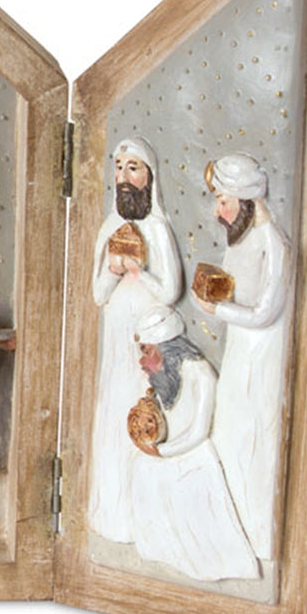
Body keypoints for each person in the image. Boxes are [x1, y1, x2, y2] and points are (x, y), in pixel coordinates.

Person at [198, 152, 294, 561]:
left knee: (253, 438)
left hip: (262, 358)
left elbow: (265, 312)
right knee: (231, 432)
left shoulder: (274, 244)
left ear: (245, 199)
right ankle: (229, 531)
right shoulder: (240, 239)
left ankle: (257, 537)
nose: (217, 211)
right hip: (240, 352)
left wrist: (219, 310)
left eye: (223, 201)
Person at [87, 136, 181, 544]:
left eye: (133, 168)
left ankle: (144, 518)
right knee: (114, 409)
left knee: (142, 409)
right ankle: (111, 512)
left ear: (149, 177)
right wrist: (113, 268)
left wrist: (140, 270)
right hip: (116, 335)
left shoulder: (157, 228)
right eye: (119, 167)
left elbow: (170, 291)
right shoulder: (111, 227)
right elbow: (97, 294)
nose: (124, 176)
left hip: (147, 337)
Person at [127, 307, 258, 581]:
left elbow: (199, 431)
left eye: (147, 351)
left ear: (166, 348)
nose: (142, 360)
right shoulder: (164, 377)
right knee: (140, 466)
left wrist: (162, 451)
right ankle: (159, 552)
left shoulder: (200, 373)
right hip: (168, 453)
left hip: (193, 457)